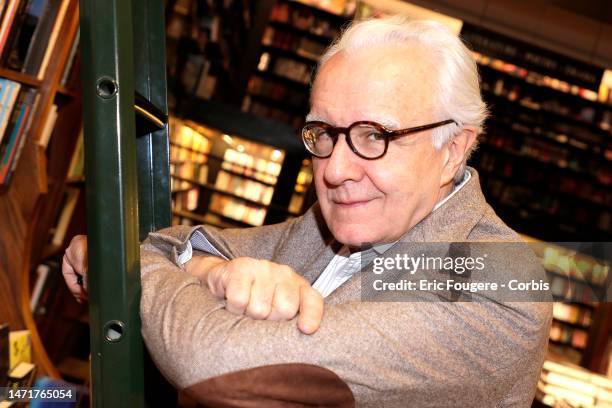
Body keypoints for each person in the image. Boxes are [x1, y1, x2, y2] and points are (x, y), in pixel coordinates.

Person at [63, 17, 552, 407]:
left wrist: (116, 262)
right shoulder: (333, 227)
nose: (335, 170)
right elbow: (169, 244)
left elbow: (216, 362)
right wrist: (211, 269)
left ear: (452, 150)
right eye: (324, 133)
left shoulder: (500, 284)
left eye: (374, 136)